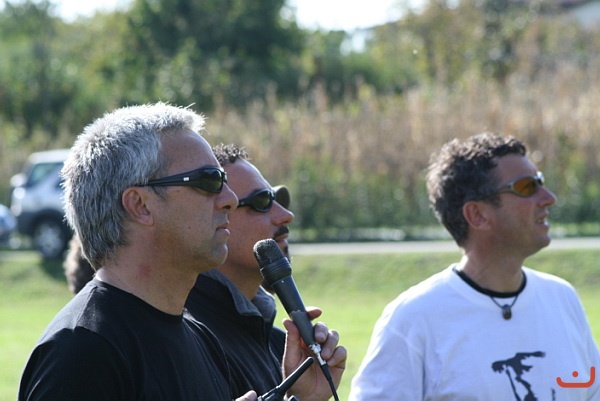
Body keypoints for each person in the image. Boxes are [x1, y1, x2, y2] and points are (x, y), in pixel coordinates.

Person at [19, 102, 249, 401]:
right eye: (209, 180)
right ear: (140, 205)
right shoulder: (81, 352)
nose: (231, 199)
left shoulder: (201, 338)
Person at [349, 132, 600, 400]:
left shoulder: (562, 298)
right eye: (527, 187)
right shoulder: (413, 319)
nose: (548, 197)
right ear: (477, 215)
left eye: (540, 182)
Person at [186, 143, 347, 400]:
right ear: (218, 214)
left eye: (278, 201)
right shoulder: (190, 338)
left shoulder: (281, 346)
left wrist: (306, 397)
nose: (286, 215)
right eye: (262, 201)